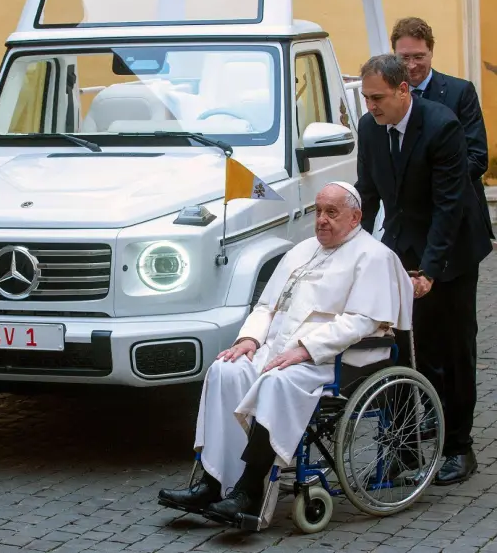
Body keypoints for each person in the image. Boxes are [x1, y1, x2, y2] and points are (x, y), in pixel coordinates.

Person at [157, 182, 413, 526]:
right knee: (225, 369)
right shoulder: (301, 250)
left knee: (278, 381)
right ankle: (212, 482)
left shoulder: (374, 256)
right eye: (318, 211)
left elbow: (361, 322)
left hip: (338, 360)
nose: (321, 220)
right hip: (279, 349)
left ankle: (248, 491)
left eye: (331, 213)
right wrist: (249, 338)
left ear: (355, 217)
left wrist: (306, 349)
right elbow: (267, 305)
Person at [355, 54, 493, 485]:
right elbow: (369, 192)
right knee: (399, 348)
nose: (371, 106)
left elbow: (449, 206)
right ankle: (403, 447)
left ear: (403, 91)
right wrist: (350, 250)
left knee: (452, 351)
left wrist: (430, 271)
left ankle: (459, 448)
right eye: (365, 98)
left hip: (450, 251)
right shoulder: (369, 127)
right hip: (401, 245)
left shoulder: (442, 125)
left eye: (377, 97)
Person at [390, 17, 492, 240]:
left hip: (458, 217)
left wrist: (431, 188)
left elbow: (477, 157)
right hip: (407, 226)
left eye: (419, 56)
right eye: (404, 57)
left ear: (431, 52)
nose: (411, 65)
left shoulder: (460, 92)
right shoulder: (386, 97)